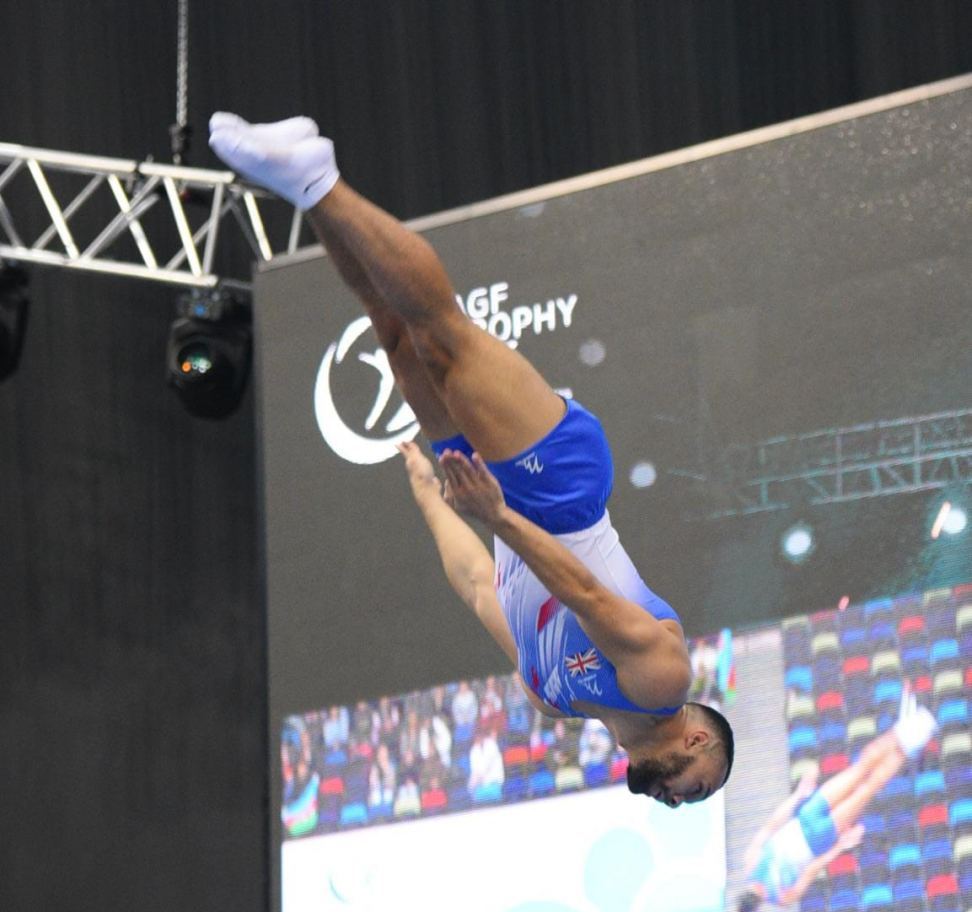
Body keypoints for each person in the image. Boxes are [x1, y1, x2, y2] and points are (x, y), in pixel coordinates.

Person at [209, 111, 734, 808]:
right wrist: (499, 516)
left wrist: (433, 499)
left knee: (393, 334)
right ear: (697, 741)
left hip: (494, 501)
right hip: (560, 491)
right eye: (697, 790)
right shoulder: (664, 682)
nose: (681, 799)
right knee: (441, 333)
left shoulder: (552, 698)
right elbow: (583, 591)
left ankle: (304, 182)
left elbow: (480, 588)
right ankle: (318, 176)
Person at [737, 685, 937, 912]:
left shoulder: (781, 897)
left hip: (818, 837)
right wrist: (798, 796)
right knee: (860, 772)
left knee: (866, 787)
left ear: (758, 907)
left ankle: (916, 731)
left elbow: (812, 869)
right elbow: (771, 825)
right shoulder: (751, 864)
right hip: (806, 818)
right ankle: (908, 730)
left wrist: (840, 846)